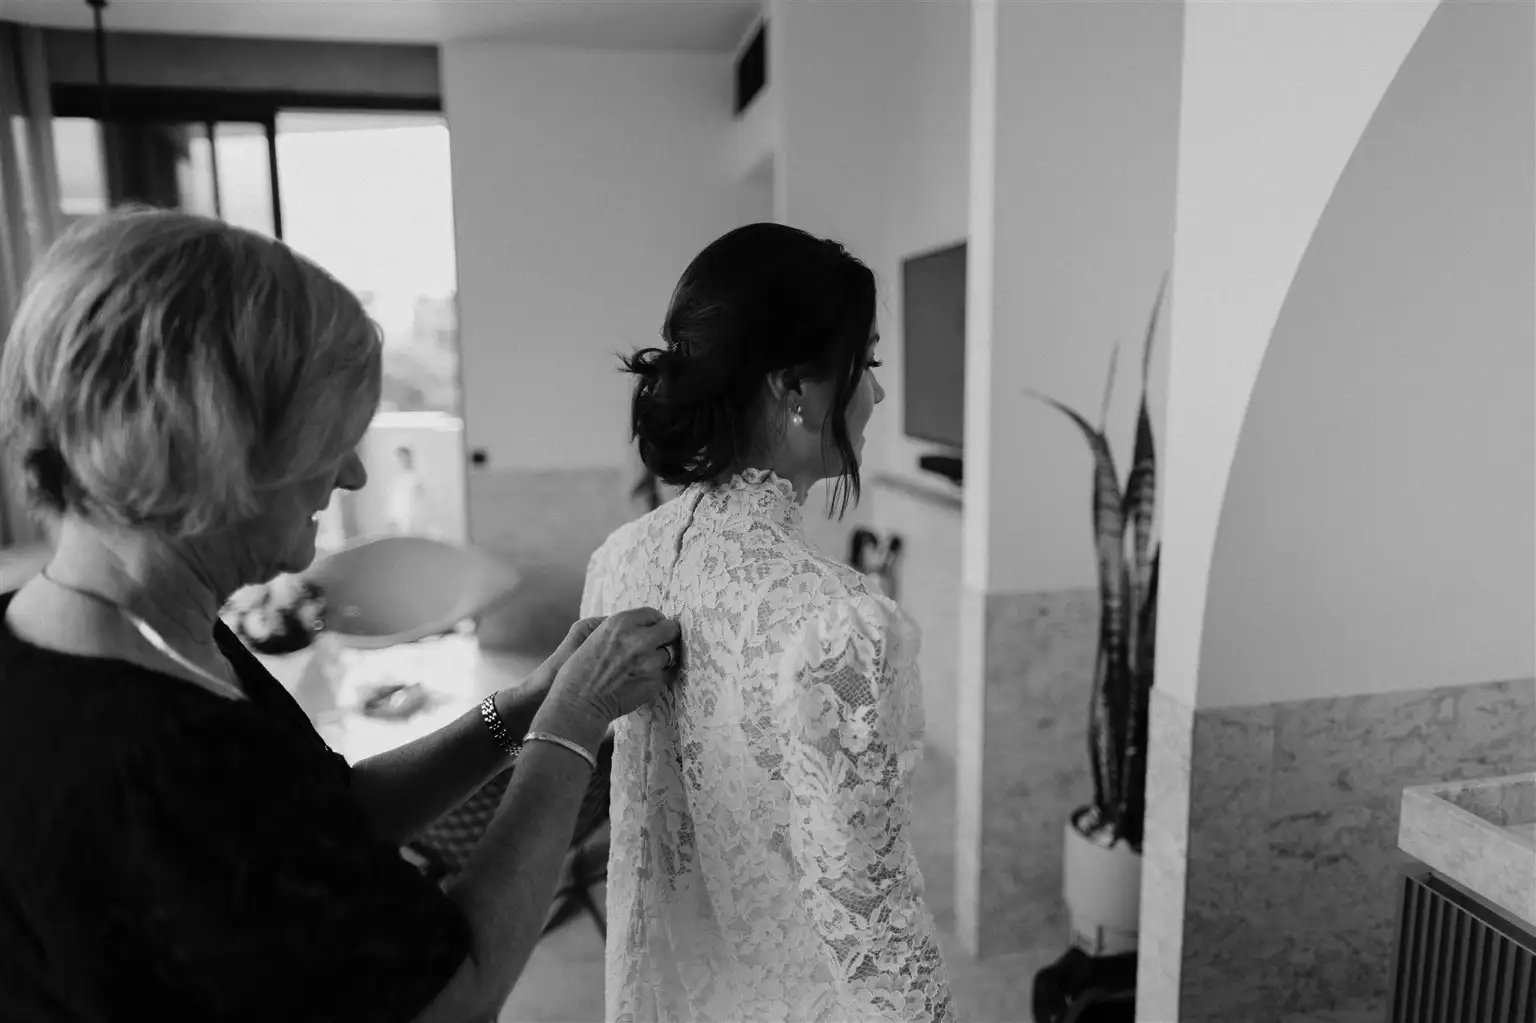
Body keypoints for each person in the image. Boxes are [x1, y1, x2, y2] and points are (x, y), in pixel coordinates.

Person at [0, 208, 681, 1023]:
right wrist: (573, 723)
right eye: (331, 439)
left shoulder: (156, 631)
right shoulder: (161, 763)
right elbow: (450, 997)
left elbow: (335, 819)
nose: (354, 474)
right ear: (217, 448)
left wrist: (530, 700)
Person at [583, 223, 956, 1022]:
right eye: (869, 365)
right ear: (795, 387)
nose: (878, 395)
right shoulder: (839, 627)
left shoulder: (619, 560)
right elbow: (874, 925)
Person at [385, 443, 436, 537]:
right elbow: (393, 506)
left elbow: (423, 504)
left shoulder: (416, 479)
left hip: (414, 526)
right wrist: (392, 521)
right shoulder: (395, 482)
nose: (401, 461)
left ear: (409, 458)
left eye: (403, 457)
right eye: (399, 458)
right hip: (399, 527)